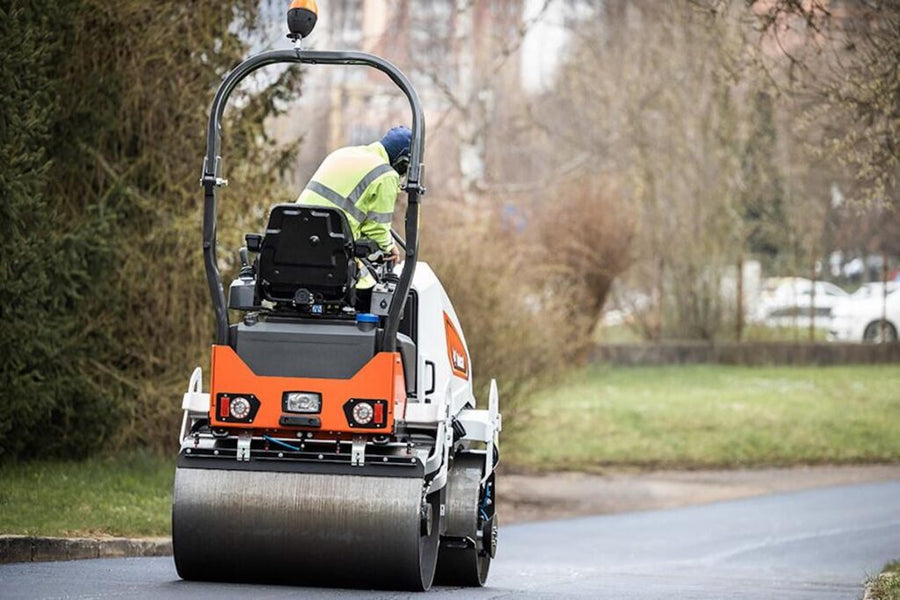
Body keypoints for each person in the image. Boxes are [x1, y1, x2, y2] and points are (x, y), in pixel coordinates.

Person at [297, 126, 412, 273]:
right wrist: (390, 247)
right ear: (402, 162)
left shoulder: (343, 153)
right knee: (370, 280)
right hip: (330, 253)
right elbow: (376, 229)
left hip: (295, 238)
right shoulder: (387, 175)